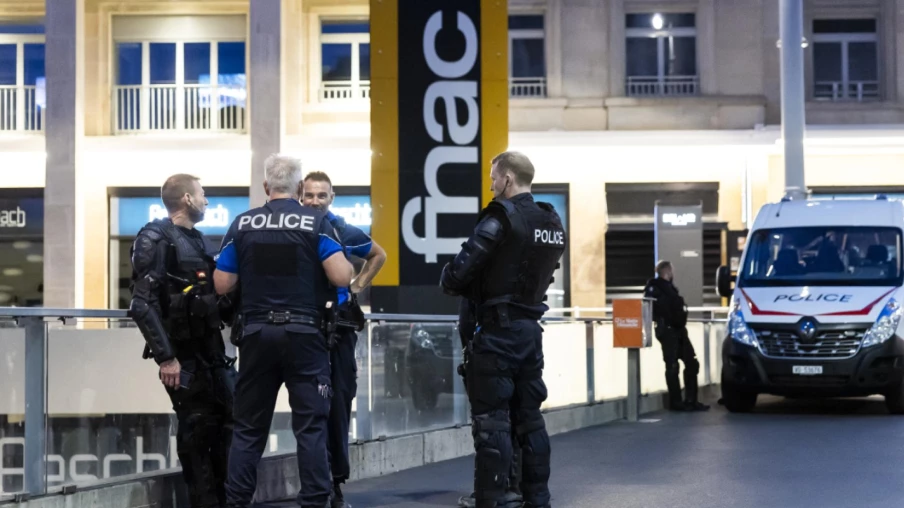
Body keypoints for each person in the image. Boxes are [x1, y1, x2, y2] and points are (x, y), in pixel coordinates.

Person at [214, 155, 355, 508]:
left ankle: (236, 502)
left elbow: (221, 284)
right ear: (298, 188)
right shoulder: (316, 222)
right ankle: (315, 501)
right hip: (305, 337)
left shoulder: (242, 224)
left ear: (266, 187)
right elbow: (342, 277)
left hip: (257, 335)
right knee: (310, 428)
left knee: (248, 429)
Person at [441, 151, 566, 508]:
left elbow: (455, 277)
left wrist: (461, 279)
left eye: (495, 177)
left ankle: (492, 499)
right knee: (530, 418)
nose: (492, 184)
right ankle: (536, 497)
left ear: (508, 179)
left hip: (496, 333)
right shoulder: (552, 222)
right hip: (531, 332)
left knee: (491, 422)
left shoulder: (500, 218)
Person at [129, 174, 237, 508]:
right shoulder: (156, 238)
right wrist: (166, 358)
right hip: (183, 356)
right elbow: (141, 304)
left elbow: (214, 299)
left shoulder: (202, 242)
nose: (207, 200)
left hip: (212, 351)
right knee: (196, 430)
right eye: (203, 194)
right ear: (188, 199)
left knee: (229, 424)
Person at [301, 171, 387, 508]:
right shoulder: (294, 227)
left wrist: (357, 286)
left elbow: (378, 254)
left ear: (331, 198)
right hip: (302, 331)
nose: (315, 201)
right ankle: (313, 485)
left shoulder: (341, 228)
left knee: (338, 408)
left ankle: (334, 484)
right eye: (309, 195)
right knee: (308, 409)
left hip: (338, 333)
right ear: (300, 195)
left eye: (322, 195)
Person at [643, 261, 710, 412]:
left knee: (692, 364)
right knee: (672, 366)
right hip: (667, 330)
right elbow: (649, 308)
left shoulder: (669, 288)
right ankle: (676, 402)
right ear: (667, 271)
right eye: (672, 271)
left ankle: (691, 401)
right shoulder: (654, 288)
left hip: (679, 329)